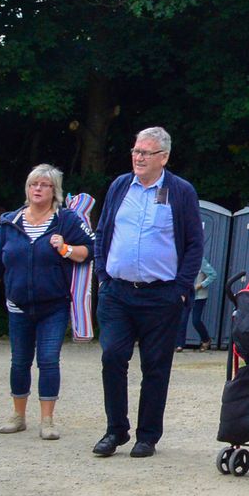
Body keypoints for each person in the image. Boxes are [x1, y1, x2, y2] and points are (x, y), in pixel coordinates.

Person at [94, 125, 204, 459]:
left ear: (164, 158)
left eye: (146, 153)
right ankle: (116, 430)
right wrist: (103, 277)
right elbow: (102, 233)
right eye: (136, 151)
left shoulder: (180, 191)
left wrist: (181, 290)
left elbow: (194, 244)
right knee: (112, 356)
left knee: (155, 367)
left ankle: (147, 436)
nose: (138, 158)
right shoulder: (119, 186)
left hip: (161, 296)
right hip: (117, 293)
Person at [0, 163, 92, 439]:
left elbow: (90, 251)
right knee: (19, 361)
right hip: (17, 304)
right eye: (33, 184)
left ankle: (47, 420)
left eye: (44, 185)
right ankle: (18, 415)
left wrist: (65, 248)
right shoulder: (10, 222)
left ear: (55, 191)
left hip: (53, 305)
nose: (38, 189)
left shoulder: (66, 221)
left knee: (48, 360)